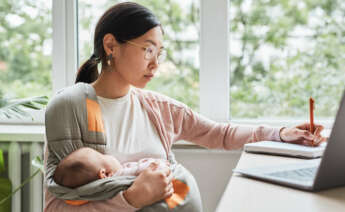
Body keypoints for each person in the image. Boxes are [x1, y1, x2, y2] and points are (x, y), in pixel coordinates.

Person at [44, 2, 326, 212]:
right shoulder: (70, 109)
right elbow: (56, 206)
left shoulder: (158, 108)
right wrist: (131, 199)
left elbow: (220, 134)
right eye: (148, 50)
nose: (155, 63)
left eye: (159, 53)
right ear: (111, 46)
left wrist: (281, 133)